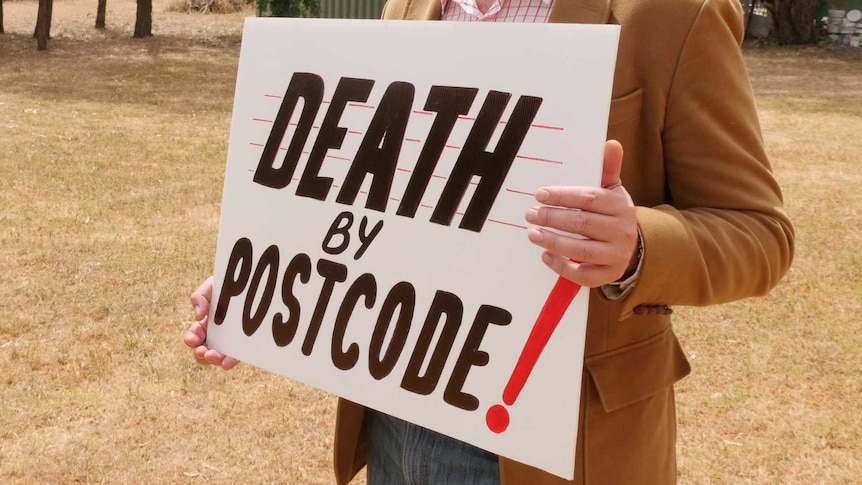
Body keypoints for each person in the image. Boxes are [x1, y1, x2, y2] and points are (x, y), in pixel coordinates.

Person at [185, 0, 795, 483]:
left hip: (563, 442)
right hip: (396, 417)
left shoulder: (675, 14)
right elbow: (383, 195)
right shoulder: (408, 8)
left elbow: (759, 231)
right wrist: (256, 285)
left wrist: (636, 246)